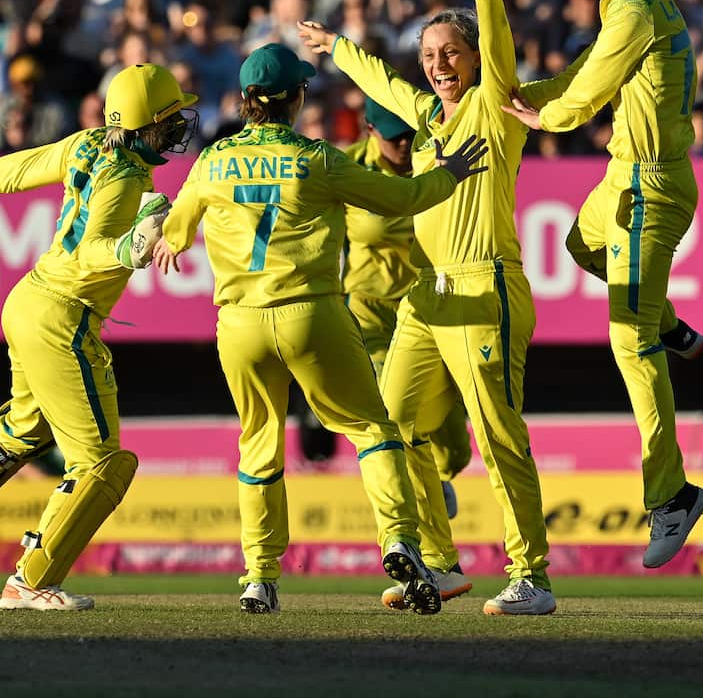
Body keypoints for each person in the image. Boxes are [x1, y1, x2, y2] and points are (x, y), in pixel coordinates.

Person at [152, 42, 490, 616]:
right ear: (297, 99)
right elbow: (404, 198)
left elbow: (174, 232)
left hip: (239, 323)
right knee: (372, 428)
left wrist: (167, 239)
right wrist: (449, 175)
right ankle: (400, 540)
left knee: (259, 445)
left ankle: (259, 578)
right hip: (312, 314)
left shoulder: (212, 161)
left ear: (246, 100)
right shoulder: (318, 159)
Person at [298, 0, 556, 615]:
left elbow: (496, 42)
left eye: (452, 54)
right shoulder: (426, 119)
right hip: (428, 296)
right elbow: (384, 82)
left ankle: (531, 575)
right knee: (389, 426)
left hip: (484, 287)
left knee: (499, 436)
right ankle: (438, 563)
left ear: (477, 59)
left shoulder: (493, 106)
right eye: (431, 57)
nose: (440, 66)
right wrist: (337, 47)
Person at [0, 63, 197, 611]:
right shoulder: (128, 176)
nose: (178, 127)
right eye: (171, 118)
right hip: (64, 314)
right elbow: (88, 252)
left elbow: (21, 168)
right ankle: (32, 580)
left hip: (28, 301)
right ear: (148, 124)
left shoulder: (87, 143)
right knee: (102, 463)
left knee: (25, 425)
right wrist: (127, 249)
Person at [503, 0, 703, 568]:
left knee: (630, 339)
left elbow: (583, 99)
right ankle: (672, 326)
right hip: (626, 177)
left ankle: (673, 494)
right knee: (581, 246)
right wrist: (513, 96)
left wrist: (539, 119)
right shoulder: (635, 2)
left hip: (647, 188)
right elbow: (578, 76)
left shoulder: (633, 9)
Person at [341, 98, 473, 609]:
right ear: (369, 131)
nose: (401, 145)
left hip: (427, 307)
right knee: (392, 419)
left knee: (453, 446)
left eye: (406, 135)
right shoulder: (346, 167)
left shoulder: (430, 158)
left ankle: (437, 485)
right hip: (371, 316)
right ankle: (418, 549)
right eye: (391, 136)